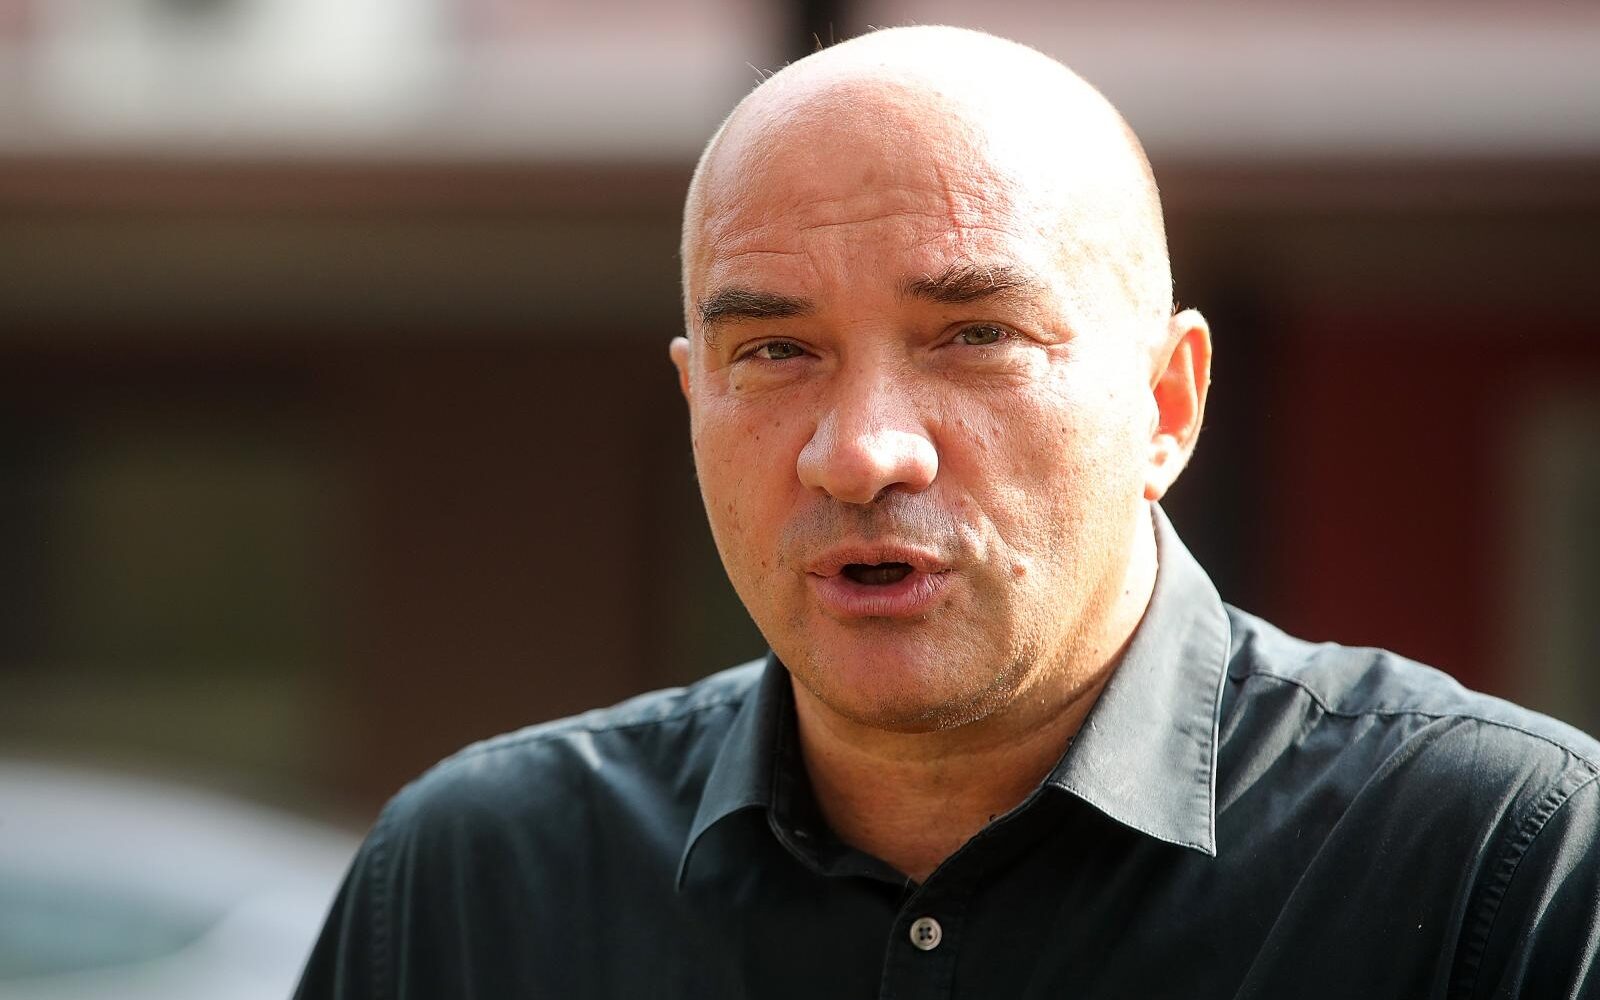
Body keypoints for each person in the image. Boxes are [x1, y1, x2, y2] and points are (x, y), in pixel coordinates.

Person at [296, 26, 1600, 999]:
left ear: (1166, 403)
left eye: (976, 336)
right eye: (775, 352)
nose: (861, 454)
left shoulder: (1499, 864)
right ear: (695, 400)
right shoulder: (476, 886)